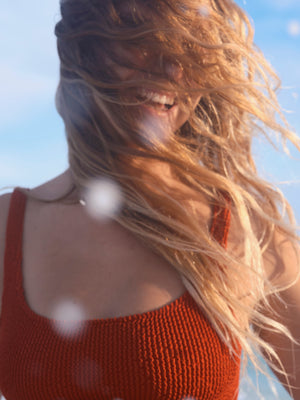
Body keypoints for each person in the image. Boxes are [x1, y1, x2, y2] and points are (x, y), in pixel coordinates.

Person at [0, 0, 299, 399]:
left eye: (192, 44)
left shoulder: (247, 234)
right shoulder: (7, 229)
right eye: (142, 34)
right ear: (85, 46)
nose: (171, 67)